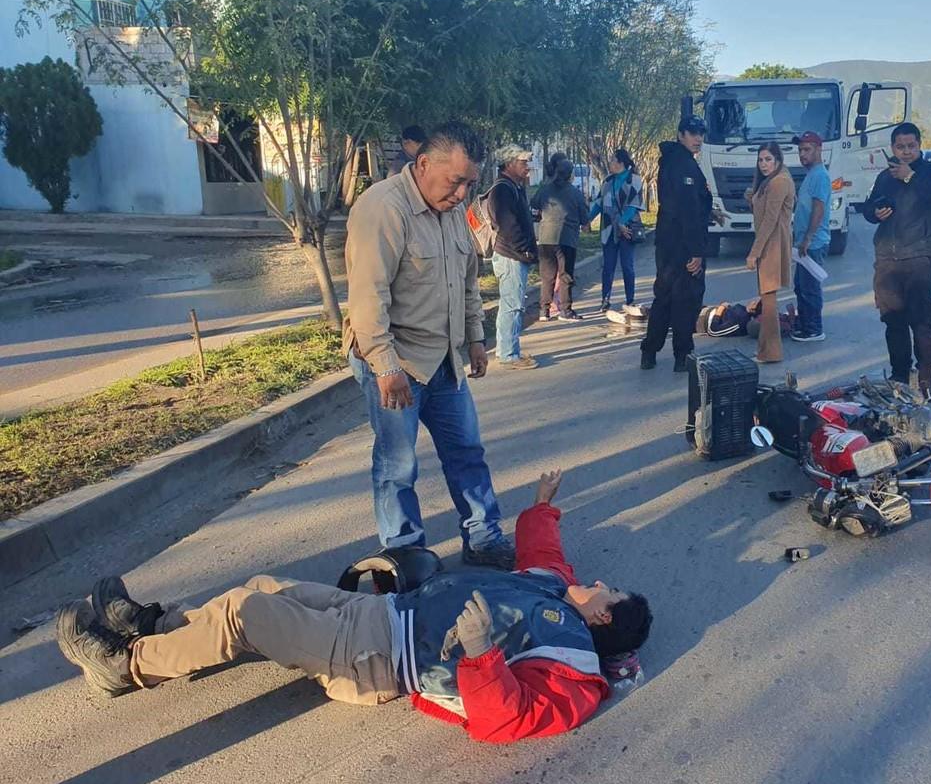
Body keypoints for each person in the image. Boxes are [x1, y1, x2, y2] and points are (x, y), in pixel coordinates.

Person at [54, 472, 655, 744]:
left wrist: (481, 656)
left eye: (610, 591)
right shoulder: (554, 586)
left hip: (375, 659)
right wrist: (542, 506)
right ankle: (158, 628)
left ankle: (125, 666)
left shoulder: (572, 664)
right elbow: (544, 547)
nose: (600, 581)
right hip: (380, 616)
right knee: (261, 586)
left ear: (602, 617)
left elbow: (509, 720)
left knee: (248, 617)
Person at [343, 119, 516, 569]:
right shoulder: (383, 209)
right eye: (455, 181)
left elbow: (467, 282)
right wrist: (384, 366)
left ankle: (483, 537)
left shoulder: (454, 211)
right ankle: (405, 554)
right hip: (395, 359)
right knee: (398, 465)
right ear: (422, 164)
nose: (461, 193)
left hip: (444, 359)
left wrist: (476, 338)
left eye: (469, 183)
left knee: (467, 452)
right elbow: (367, 298)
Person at [859, 122, 931, 402]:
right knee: (893, 322)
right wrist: (876, 213)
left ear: (920, 145)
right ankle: (899, 378)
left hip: (919, 257)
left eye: (911, 146)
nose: (906, 151)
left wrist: (911, 176)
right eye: (901, 147)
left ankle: (926, 381)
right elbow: (868, 208)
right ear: (893, 148)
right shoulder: (885, 177)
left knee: (922, 321)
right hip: (887, 259)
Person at [640, 115, 722, 373]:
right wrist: (697, 252)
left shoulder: (674, 161)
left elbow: (686, 205)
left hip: (667, 243)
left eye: (701, 133)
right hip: (682, 246)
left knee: (663, 298)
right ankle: (682, 355)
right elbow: (687, 212)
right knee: (685, 301)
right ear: (680, 135)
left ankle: (649, 352)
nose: (698, 139)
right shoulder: (684, 166)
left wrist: (710, 212)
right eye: (692, 133)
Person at [489, 143, 540, 370]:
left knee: (511, 303)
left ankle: (506, 349)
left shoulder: (514, 187)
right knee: (513, 305)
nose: (527, 166)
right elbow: (507, 224)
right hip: (510, 255)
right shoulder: (502, 189)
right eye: (523, 162)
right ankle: (509, 354)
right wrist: (524, 248)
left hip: (514, 254)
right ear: (509, 163)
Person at [744, 141, 795, 364]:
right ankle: (766, 350)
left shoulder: (779, 182)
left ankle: (771, 351)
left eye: (768, 159)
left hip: (772, 244)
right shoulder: (771, 181)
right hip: (770, 243)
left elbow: (770, 221)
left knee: (770, 300)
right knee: (768, 299)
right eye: (761, 159)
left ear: (778, 160)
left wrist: (754, 253)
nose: (764, 164)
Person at [531, 155, 591, 321]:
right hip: (567, 239)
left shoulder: (544, 189)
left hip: (545, 239)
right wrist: (584, 225)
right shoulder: (576, 193)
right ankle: (565, 310)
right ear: (571, 175)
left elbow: (534, 207)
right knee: (565, 275)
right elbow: (585, 219)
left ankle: (544, 311)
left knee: (547, 276)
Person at [589, 148, 644, 311]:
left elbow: (634, 205)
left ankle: (630, 299)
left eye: (613, 160)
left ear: (620, 163)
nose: (610, 163)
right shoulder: (607, 181)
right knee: (608, 266)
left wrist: (622, 223)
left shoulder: (634, 179)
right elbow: (599, 203)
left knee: (627, 266)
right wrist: (588, 220)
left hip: (627, 230)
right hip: (608, 229)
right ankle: (605, 299)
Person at [791, 130, 832, 343]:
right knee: (801, 286)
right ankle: (805, 324)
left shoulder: (820, 176)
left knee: (810, 287)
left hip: (813, 243)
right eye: (800, 150)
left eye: (807, 149)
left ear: (819, 150)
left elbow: (818, 208)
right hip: (803, 242)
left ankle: (814, 328)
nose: (802, 154)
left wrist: (808, 237)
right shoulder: (811, 174)